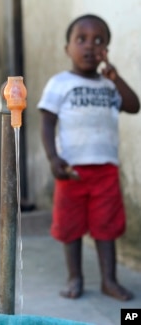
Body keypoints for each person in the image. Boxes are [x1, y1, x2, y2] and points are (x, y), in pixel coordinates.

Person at [37, 14, 140, 302]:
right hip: (72, 169)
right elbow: (47, 122)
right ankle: (75, 278)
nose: (89, 47)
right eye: (80, 39)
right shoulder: (60, 83)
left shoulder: (109, 85)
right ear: (67, 48)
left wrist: (116, 77)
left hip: (105, 169)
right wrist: (53, 158)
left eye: (99, 41)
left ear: (106, 49)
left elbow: (133, 106)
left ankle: (109, 280)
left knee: (105, 227)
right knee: (70, 227)